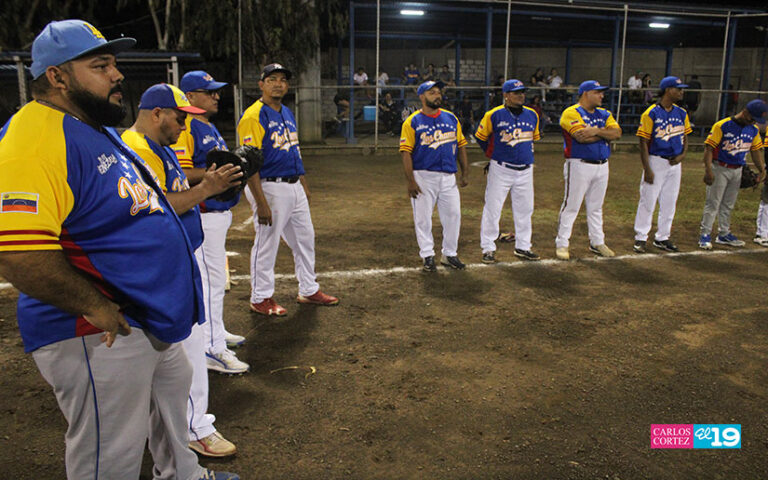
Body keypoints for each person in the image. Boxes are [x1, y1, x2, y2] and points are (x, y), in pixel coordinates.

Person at [0, 19, 238, 480]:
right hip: (96, 328)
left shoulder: (95, 128)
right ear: (57, 76)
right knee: (110, 454)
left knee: (172, 412)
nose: (117, 75)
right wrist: (96, 307)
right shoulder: (33, 137)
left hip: (145, 315)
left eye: (113, 64)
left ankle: (184, 476)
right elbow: (19, 253)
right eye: (101, 65)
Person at [123, 83, 243, 458]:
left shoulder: (157, 146)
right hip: (164, 265)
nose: (183, 126)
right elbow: (158, 206)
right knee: (187, 348)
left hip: (172, 260)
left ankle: (177, 428)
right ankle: (195, 427)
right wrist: (208, 187)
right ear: (157, 113)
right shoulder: (138, 149)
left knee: (173, 353)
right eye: (179, 118)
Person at [238, 63, 339, 315]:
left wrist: (302, 183)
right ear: (261, 84)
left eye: (283, 79)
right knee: (267, 242)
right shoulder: (253, 115)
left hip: (293, 185)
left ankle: (308, 289)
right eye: (272, 79)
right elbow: (248, 162)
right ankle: (260, 297)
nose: (278, 84)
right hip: (269, 187)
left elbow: (294, 150)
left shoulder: (286, 112)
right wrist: (260, 202)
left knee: (305, 239)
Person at [172, 70, 250, 375]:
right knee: (210, 282)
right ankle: (210, 347)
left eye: (216, 91)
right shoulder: (188, 126)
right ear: (190, 97)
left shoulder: (208, 125)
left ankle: (217, 332)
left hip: (218, 214)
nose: (217, 96)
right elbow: (180, 171)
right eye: (209, 92)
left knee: (216, 281)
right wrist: (216, 175)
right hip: (203, 215)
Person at [400, 80, 469, 271]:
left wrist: (464, 172)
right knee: (423, 218)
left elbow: (461, 145)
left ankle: (450, 254)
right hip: (423, 175)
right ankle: (427, 255)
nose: (437, 95)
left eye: (438, 92)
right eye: (432, 92)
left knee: (453, 215)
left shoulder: (451, 118)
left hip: (448, 176)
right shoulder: (412, 121)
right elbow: (406, 152)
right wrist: (411, 181)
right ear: (422, 96)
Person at [475, 79, 541, 263]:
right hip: (501, 169)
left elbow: (533, 139)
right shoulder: (494, 115)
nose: (521, 95)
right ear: (506, 95)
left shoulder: (532, 114)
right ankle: (488, 248)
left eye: (522, 92)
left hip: (526, 170)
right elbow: (480, 137)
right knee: (493, 208)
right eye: (516, 92)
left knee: (525, 209)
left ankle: (523, 246)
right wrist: (493, 153)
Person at [555, 80, 622, 260]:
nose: (602, 96)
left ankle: (597, 242)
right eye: (597, 92)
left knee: (596, 207)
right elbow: (580, 137)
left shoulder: (604, 113)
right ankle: (562, 243)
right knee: (571, 205)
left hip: (602, 165)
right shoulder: (571, 113)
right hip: (578, 164)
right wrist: (603, 135)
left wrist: (595, 131)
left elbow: (617, 133)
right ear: (585, 94)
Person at [632, 76, 693, 254]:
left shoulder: (682, 113)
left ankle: (663, 237)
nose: (681, 92)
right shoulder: (651, 113)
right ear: (668, 90)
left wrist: (682, 155)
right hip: (656, 160)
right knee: (648, 200)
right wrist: (647, 169)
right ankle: (641, 237)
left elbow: (685, 137)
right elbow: (643, 142)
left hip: (675, 163)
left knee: (670, 202)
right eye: (678, 89)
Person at [698, 99, 766, 250]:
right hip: (720, 168)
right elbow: (709, 148)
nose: (753, 121)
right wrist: (708, 170)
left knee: (728, 204)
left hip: (738, 170)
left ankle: (724, 233)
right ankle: (705, 234)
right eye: (752, 118)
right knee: (713, 203)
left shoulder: (753, 129)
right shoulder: (722, 125)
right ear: (745, 112)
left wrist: (762, 170)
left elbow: (755, 151)